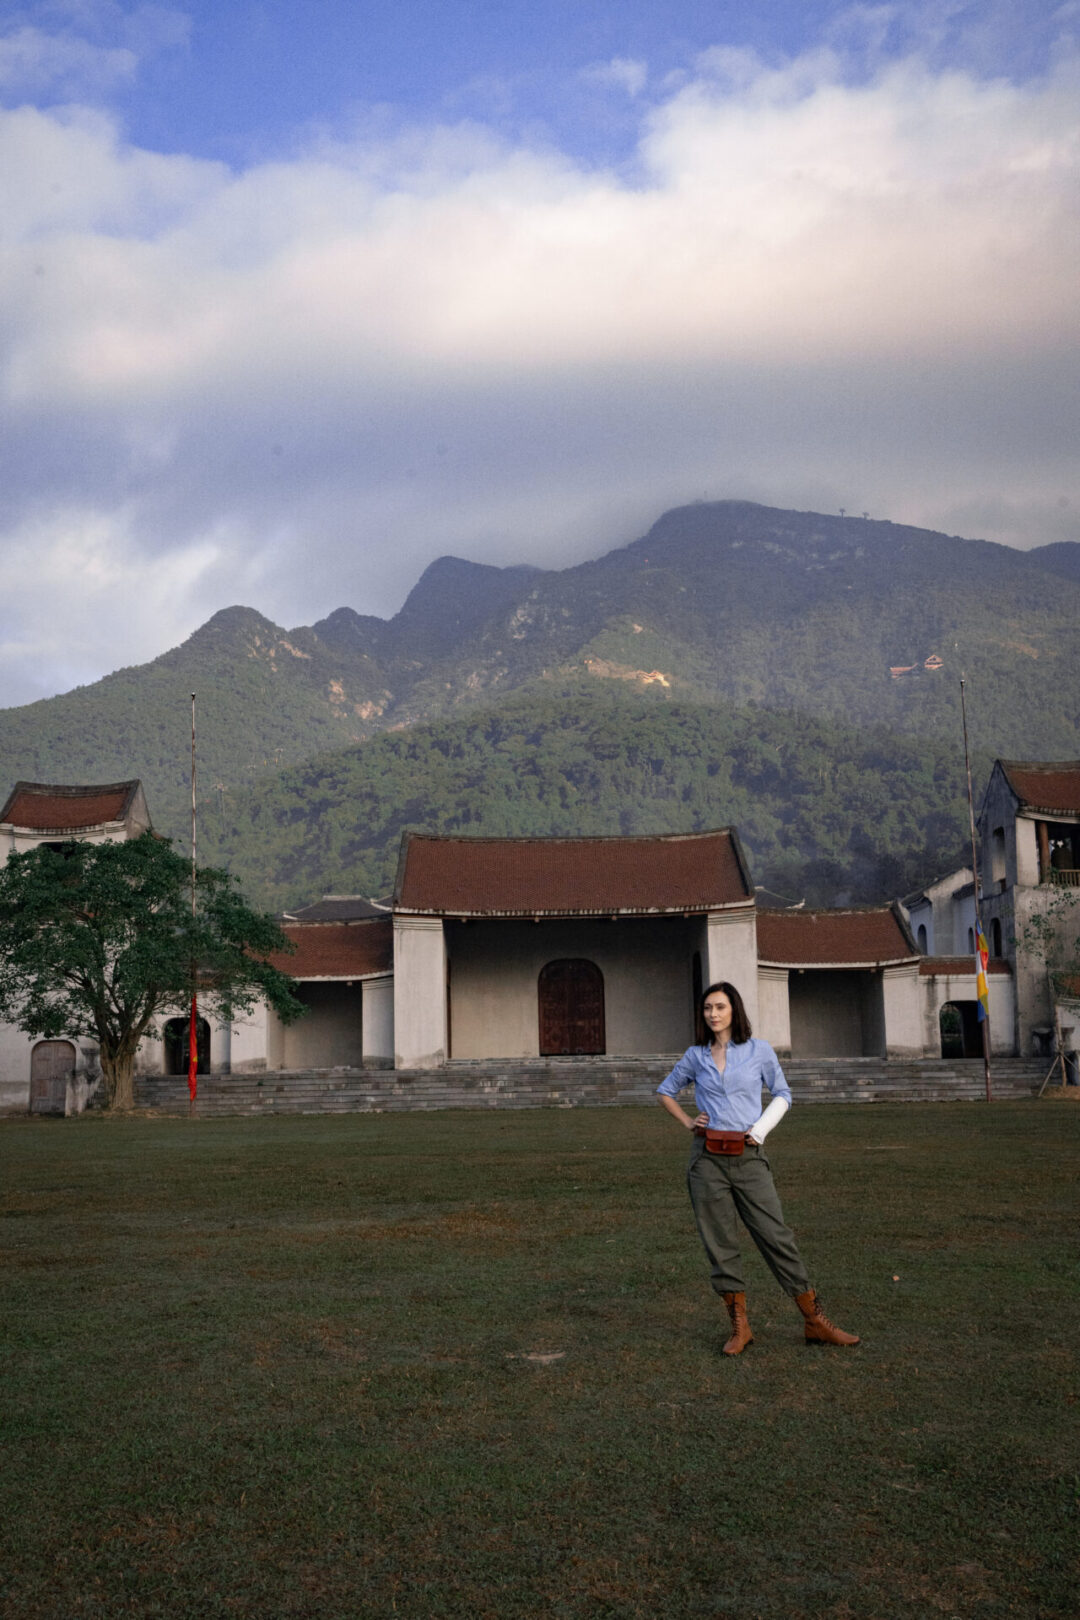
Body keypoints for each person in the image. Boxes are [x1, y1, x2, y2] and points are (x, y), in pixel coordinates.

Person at [657, 980, 859, 1355]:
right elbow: (665, 1090)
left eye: (719, 1007)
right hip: (706, 1160)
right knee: (721, 1245)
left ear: (734, 1010)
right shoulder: (695, 1055)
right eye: (707, 1009)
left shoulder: (758, 1051)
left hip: (749, 1156)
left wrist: (760, 1129)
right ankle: (740, 1327)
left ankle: (815, 1321)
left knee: (776, 1236)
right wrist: (688, 1122)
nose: (713, 1014)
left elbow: (783, 1093)